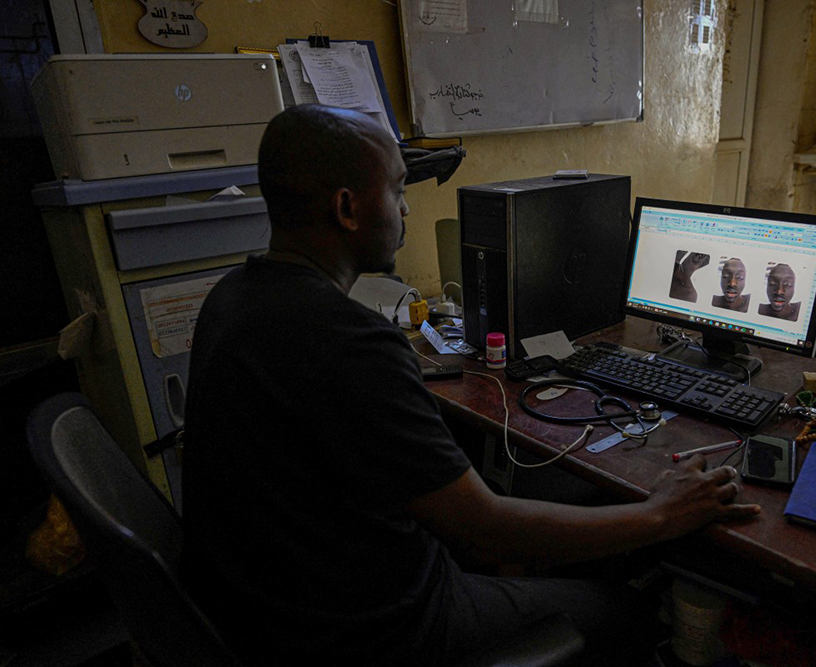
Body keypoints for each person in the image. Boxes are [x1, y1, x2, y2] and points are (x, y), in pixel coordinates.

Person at [181, 105, 760, 667]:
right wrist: (661, 514)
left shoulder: (231, 298)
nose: (405, 209)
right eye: (398, 189)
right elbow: (487, 529)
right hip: (372, 632)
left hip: (259, 613)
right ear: (348, 208)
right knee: (625, 609)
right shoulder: (352, 343)